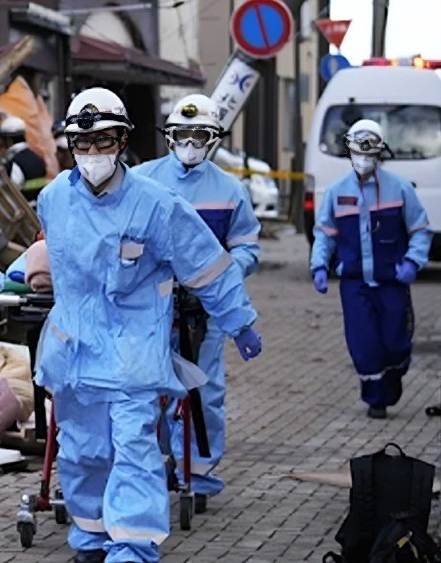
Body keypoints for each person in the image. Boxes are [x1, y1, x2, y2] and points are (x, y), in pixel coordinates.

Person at [36, 87, 262, 563]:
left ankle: (133, 548)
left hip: (131, 357)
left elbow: (206, 266)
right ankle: (91, 539)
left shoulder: (157, 204)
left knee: (135, 453)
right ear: (70, 144)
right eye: (84, 143)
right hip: (73, 355)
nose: (93, 153)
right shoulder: (54, 198)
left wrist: (238, 321)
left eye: (104, 141)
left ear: (121, 141)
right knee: (81, 456)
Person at [131, 94, 262, 512]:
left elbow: (247, 246)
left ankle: (198, 471)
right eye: (183, 134)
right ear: (169, 137)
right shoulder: (141, 181)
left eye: (199, 134)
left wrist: (224, 276)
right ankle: (151, 467)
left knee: (204, 391)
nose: (190, 142)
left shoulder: (229, 189)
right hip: (149, 309)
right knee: (147, 389)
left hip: (205, 311)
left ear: (212, 139)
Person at [309, 119, 433, 419]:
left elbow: (420, 230)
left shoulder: (400, 189)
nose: (363, 157)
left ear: (380, 152)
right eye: (357, 150)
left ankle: (393, 376)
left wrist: (412, 262)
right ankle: (376, 399)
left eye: (369, 150)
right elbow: (325, 234)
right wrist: (319, 266)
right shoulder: (337, 192)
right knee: (364, 345)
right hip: (355, 284)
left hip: (392, 282)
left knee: (396, 344)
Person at [0, 114, 48, 200]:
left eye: (2, 139)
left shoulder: (15, 162)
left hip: (26, 210)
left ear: (9, 140)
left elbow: (12, 193)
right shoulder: (37, 158)